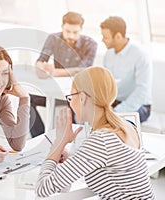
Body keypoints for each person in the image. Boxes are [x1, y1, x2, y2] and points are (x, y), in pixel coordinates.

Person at [35, 66, 155, 199]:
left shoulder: (101, 140)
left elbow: (42, 189)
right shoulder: (128, 126)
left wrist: (59, 142)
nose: (70, 103)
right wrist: (73, 160)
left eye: (70, 97)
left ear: (82, 98)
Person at [30, 11, 97, 137]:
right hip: (55, 92)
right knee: (27, 99)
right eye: (68, 31)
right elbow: (40, 60)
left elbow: (83, 70)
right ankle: (40, 138)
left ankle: (79, 141)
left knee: (79, 109)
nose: (71, 35)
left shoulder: (90, 44)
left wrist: (55, 72)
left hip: (76, 94)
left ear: (81, 30)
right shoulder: (53, 38)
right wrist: (41, 68)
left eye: (75, 32)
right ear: (62, 27)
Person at [100, 16, 152, 122]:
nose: (102, 40)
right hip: (114, 102)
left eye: (106, 37)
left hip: (139, 106)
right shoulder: (108, 54)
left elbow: (142, 91)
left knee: (114, 122)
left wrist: (117, 111)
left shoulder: (140, 55)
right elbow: (106, 83)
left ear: (118, 36)